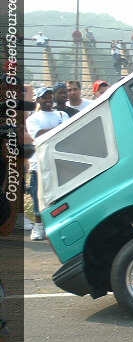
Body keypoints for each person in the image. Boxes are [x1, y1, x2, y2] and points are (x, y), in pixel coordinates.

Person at [26, 86, 70, 240]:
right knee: (38, 197)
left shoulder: (62, 114)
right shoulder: (32, 119)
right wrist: (58, 128)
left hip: (59, 162)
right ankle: (38, 227)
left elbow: (67, 133)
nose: (48, 100)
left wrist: (55, 130)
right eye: (44, 97)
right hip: (39, 164)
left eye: (50, 96)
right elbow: (38, 135)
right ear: (38, 99)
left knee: (60, 197)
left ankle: (58, 228)